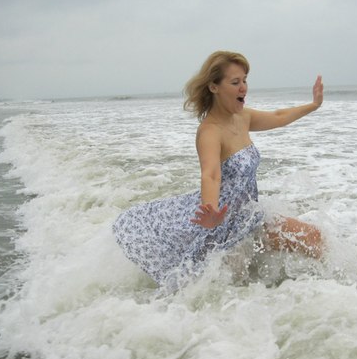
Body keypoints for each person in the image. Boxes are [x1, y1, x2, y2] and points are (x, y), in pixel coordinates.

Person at [113, 51, 323, 290]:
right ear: (214, 87)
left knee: (314, 238)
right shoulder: (210, 132)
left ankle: (328, 291)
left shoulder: (242, 117)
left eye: (244, 80)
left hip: (249, 214)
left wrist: (313, 105)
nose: (243, 87)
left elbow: (278, 116)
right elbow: (210, 174)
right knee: (229, 291)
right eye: (235, 82)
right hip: (223, 225)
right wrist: (211, 210)